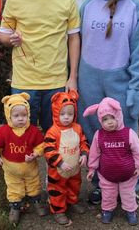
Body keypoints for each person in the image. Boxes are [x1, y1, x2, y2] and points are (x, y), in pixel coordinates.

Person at [77, 0, 139, 204]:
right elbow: (75, 44)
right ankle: (101, 183)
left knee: (124, 133)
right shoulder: (87, 6)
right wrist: (73, 79)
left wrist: (137, 88)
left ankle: (130, 184)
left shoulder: (136, 8)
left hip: (120, 81)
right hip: (89, 80)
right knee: (95, 134)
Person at [0, 0, 80, 131]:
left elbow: (74, 38)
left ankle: (52, 162)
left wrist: (73, 76)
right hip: (24, 82)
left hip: (57, 81)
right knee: (22, 135)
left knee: (56, 135)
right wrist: (10, 39)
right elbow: (3, 35)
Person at [0, 93, 48, 225]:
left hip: (29, 167)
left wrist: (36, 154)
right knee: (14, 187)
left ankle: (36, 201)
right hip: (11, 169)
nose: (21, 119)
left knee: (34, 184)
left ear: (29, 115)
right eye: (16, 116)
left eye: (24, 115)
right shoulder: (3, 131)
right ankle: (15, 206)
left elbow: (41, 145)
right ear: (9, 115)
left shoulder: (33, 131)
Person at [84, 97, 139, 225]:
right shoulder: (99, 135)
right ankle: (107, 210)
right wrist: (91, 168)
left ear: (119, 115)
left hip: (128, 174)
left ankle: (131, 211)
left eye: (112, 117)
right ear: (100, 120)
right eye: (105, 119)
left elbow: (137, 151)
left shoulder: (129, 133)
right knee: (108, 194)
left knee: (128, 194)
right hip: (107, 174)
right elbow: (95, 153)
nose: (110, 122)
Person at [44, 90, 89, 226]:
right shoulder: (53, 131)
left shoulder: (77, 128)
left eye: (70, 114)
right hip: (58, 171)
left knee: (74, 186)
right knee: (58, 190)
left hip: (74, 168)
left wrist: (84, 154)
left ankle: (72, 201)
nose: (66, 117)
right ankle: (58, 210)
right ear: (56, 112)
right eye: (62, 113)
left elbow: (83, 142)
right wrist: (60, 163)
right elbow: (48, 150)